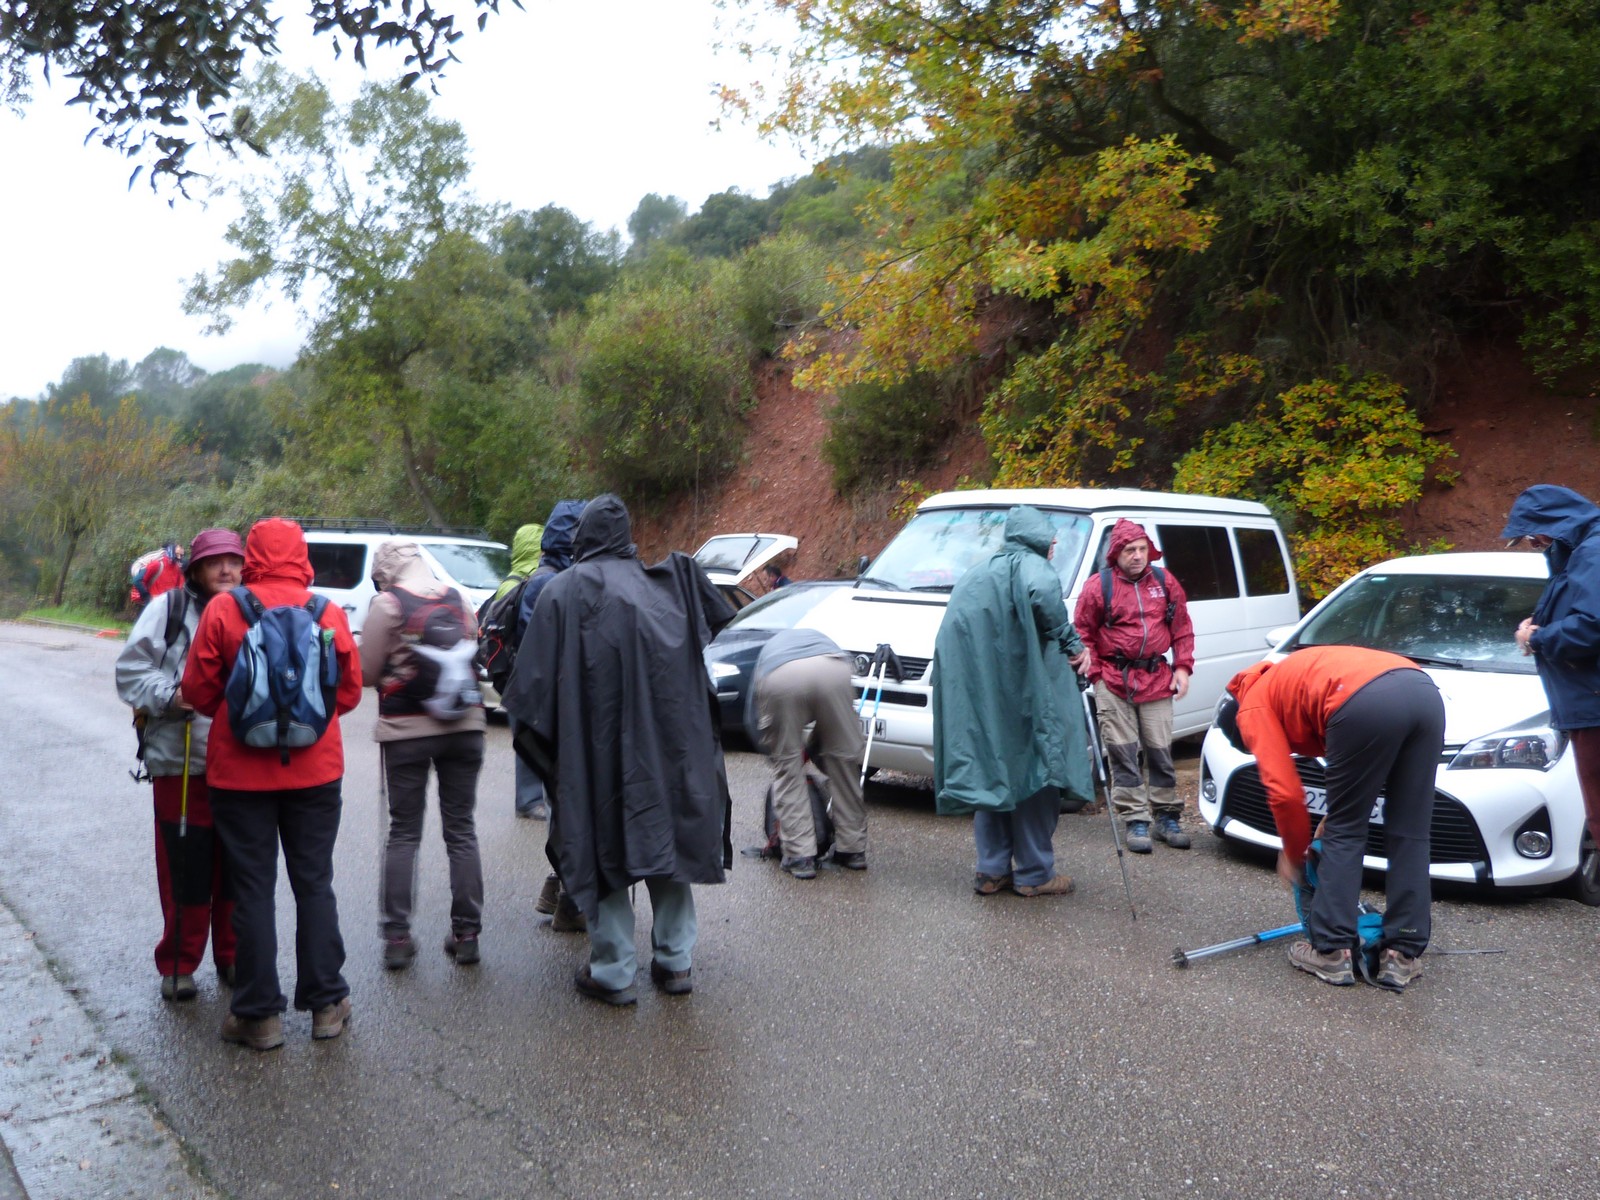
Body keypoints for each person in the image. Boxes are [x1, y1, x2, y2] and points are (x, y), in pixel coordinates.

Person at [504, 494, 736, 1005]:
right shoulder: (668, 587)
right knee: (666, 846)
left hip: (597, 755)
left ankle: (612, 972)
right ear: (627, 537)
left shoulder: (563, 591)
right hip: (671, 751)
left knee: (601, 845)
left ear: (581, 537)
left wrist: (553, 755)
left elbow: (531, 690)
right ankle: (675, 963)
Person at [181, 518, 363, 1050]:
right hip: (316, 772)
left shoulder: (224, 609)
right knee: (314, 883)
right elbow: (349, 693)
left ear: (252, 556)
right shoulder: (326, 611)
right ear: (302, 555)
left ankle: (258, 1016)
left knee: (252, 889)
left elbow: (198, 691)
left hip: (239, 776)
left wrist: (244, 713)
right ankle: (326, 1004)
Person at [1218, 645, 1444, 991]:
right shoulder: (1288, 681)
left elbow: (1285, 794)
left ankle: (1333, 952)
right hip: (1423, 694)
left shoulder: (1252, 709)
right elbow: (1367, 759)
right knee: (1410, 831)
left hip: (1361, 699)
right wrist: (1338, 811)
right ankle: (1402, 954)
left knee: (1345, 833)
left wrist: (1293, 852)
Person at [933, 505, 1094, 897]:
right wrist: (1074, 645)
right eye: (1051, 540)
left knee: (992, 774)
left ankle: (991, 871)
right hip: (1028, 696)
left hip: (984, 700)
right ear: (1036, 538)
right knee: (1038, 777)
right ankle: (1035, 874)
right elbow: (1042, 596)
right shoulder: (1033, 567)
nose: (1054, 547)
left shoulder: (976, 575)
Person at [115, 528, 245, 1002]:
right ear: (196, 569)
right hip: (181, 759)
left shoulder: (253, 609)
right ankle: (179, 963)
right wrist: (172, 696)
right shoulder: (167, 610)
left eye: (234, 561)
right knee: (184, 867)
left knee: (236, 868)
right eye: (215, 562)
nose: (226, 570)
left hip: (243, 762)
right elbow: (131, 670)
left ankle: (233, 956)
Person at [360, 540, 487, 971]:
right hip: (466, 726)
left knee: (404, 832)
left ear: (385, 573)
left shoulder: (387, 605)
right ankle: (466, 935)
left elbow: (366, 673)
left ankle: (398, 937)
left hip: (406, 731)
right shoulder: (460, 598)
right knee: (461, 830)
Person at [1073, 518, 1195, 854]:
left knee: (1160, 750)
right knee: (1123, 752)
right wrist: (1096, 674)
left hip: (1156, 678)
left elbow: (1182, 627)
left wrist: (1182, 667)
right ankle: (1135, 818)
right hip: (1113, 679)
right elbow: (1082, 632)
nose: (1138, 555)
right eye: (1130, 550)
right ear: (1116, 553)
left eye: (1142, 549)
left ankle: (1166, 816)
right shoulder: (1099, 586)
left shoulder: (1164, 581)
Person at [1502, 484, 1600, 861]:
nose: (1533, 544)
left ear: (1554, 524)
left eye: (1532, 536)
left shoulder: (1591, 552)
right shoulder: (1580, 551)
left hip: (1593, 705)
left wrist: (1537, 637)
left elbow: (1592, 625)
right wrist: (1540, 623)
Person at [749, 628, 867, 878]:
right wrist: (816, 753)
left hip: (782, 675)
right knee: (844, 762)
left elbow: (753, 722)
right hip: (834, 669)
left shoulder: (766, 655)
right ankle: (852, 849)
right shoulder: (817, 637)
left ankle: (801, 856)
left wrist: (783, 755)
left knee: (788, 770)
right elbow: (827, 742)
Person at [512, 502, 586, 822]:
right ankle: (530, 801)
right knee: (538, 740)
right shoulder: (545, 581)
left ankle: (541, 800)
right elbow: (537, 637)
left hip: (543, 678)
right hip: (539, 679)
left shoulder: (561, 576)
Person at [496, 521, 544, 819]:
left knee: (531, 735)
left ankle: (534, 797)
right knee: (529, 735)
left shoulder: (510, 582)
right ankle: (529, 800)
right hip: (523, 672)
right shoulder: (527, 584)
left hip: (516, 671)